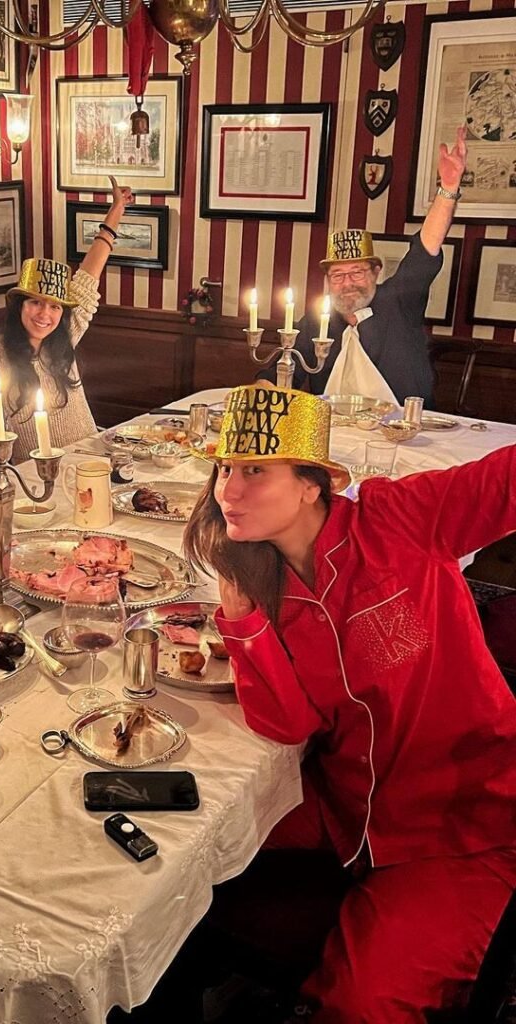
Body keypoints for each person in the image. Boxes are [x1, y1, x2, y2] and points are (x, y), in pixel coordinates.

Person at [182, 383, 516, 1021]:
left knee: (361, 1002)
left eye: (255, 470)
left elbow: (507, 482)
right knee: (179, 839)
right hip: (344, 804)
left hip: (468, 823)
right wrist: (241, 612)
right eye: (224, 469)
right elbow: (289, 722)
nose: (228, 489)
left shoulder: (399, 519)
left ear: (312, 484)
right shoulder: (265, 580)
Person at [259, 127, 469, 405]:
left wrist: (448, 189)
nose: (347, 283)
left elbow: (425, 250)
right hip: (334, 431)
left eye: (357, 272)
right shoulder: (317, 320)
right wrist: (263, 388)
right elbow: (283, 370)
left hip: (402, 430)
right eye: (338, 275)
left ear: (376, 272)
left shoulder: (399, 300)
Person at [0, 178, 133, 462]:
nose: (44, 314)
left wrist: (117, 209)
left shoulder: (67, 334)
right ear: (19, 306)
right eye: (35, 302)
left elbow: (89, 275)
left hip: (93, 460)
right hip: (36, 473)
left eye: (54, 307)